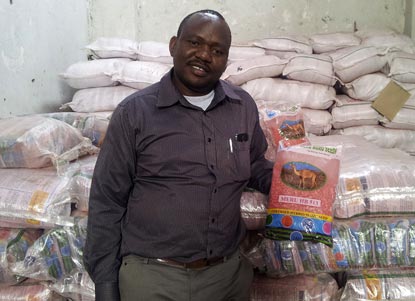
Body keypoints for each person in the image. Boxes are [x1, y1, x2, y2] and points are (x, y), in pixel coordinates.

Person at [83, 9, 273, 301]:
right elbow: (107, 200)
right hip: (154, 279)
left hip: (228, 276)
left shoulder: (241, 107)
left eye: (217, 50)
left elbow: (256, 163)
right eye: (195, 43)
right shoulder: (134, 113)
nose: (204, 55)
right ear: (174, 45)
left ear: (225, 60)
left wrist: (293, 182)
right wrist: (106, 285)